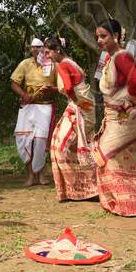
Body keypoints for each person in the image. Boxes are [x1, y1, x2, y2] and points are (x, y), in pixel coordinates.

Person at [93, 19, 136, 216]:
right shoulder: (111, 57)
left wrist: (132, 99)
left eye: (103, 36)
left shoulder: (121, 56)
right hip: (116, 115)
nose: (99, 40)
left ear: (116, 36)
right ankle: (126, 202)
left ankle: (129, 204)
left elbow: (135, 79)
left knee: (105, 154)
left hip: (126, 116)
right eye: (97, 36)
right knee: (122, 157)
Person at [46, 37, 98, 201]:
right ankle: (87, 187)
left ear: (57, 50)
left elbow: (69, 87)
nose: (47, 55)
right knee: (80, 144)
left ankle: (75, 189)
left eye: (48, 52)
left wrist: (74, 102)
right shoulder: (70, 62)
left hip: (79, 107)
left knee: (59, 146)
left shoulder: (62, 65)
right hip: (84, 106)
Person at [10, 38, 57, 186]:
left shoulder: (53, 65)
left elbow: (61, 86)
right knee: (24, 139)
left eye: (40, 47)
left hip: (45, 106)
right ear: (31, 49)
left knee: (40, 141)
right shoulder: (25, 64)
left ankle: (41, 175)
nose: (37, 50)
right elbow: (14, 83)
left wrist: (51, 89)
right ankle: (30, 175)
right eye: (34, 48)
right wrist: (24, 94)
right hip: (28, 106)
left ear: (44, 49)